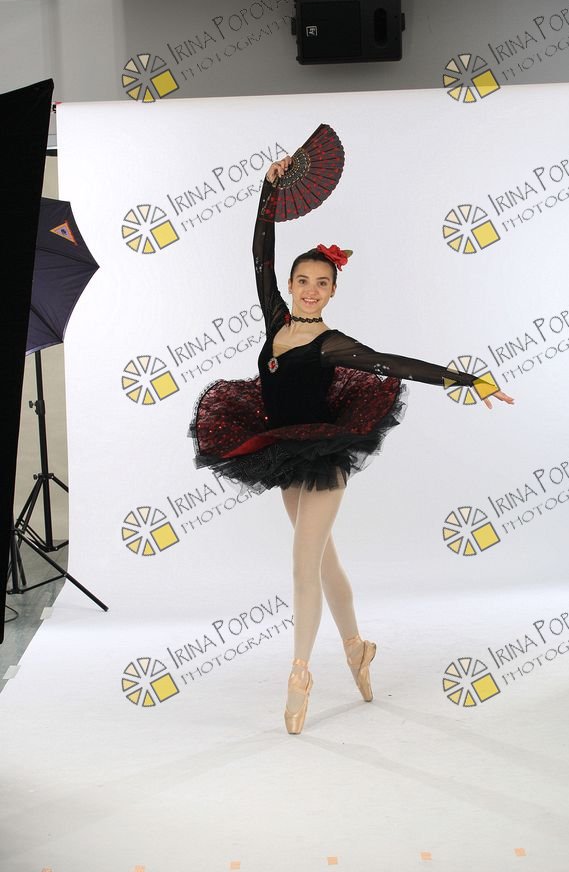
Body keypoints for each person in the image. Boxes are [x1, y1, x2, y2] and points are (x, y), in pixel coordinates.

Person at [192, 155, 514, 735]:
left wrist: (466, 380)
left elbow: (395, 363)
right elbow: (259, 255)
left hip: (322, 458)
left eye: (322, 284)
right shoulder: (274, 320)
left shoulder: (331, 343)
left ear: (334, 291)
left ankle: (299, 674)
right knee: (324, 561)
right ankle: (358, 648)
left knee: (302, 565)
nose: (311, 291)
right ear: (290, 286)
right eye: (303, 281)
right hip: (282, 452)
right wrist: (267, 192)